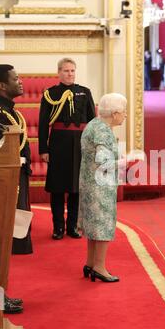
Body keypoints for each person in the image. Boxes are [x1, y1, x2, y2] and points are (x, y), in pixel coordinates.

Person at [38, 58, 96, 240]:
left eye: (72, 71)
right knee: (57, 187)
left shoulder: (84, 92)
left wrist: (92, 147)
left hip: (80, 144)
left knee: (75, 187)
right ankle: (58, 227)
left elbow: (92, 122)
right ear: (59, 72)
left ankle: (72, 226)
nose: (69, 74)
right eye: (66, 71)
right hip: (58, 143)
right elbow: (43, 124)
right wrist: (43, 149)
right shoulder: (50, 94)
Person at [79, 93, 127, 283]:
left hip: (89, 182)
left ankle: (90, 263)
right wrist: (126, 162)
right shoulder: (104, 131)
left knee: (93, 224)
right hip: (100, 185)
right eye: (123, 112)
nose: (124, 116)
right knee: (103, 225)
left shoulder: (94, 123)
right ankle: (99, 267)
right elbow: (104, 162)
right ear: (115, 114)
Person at [0, 64, 32, 314]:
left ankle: (1, 295)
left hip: (13, 176)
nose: (20, 82)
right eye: (15, 79)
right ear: (1, 85)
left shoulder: (9, 111)